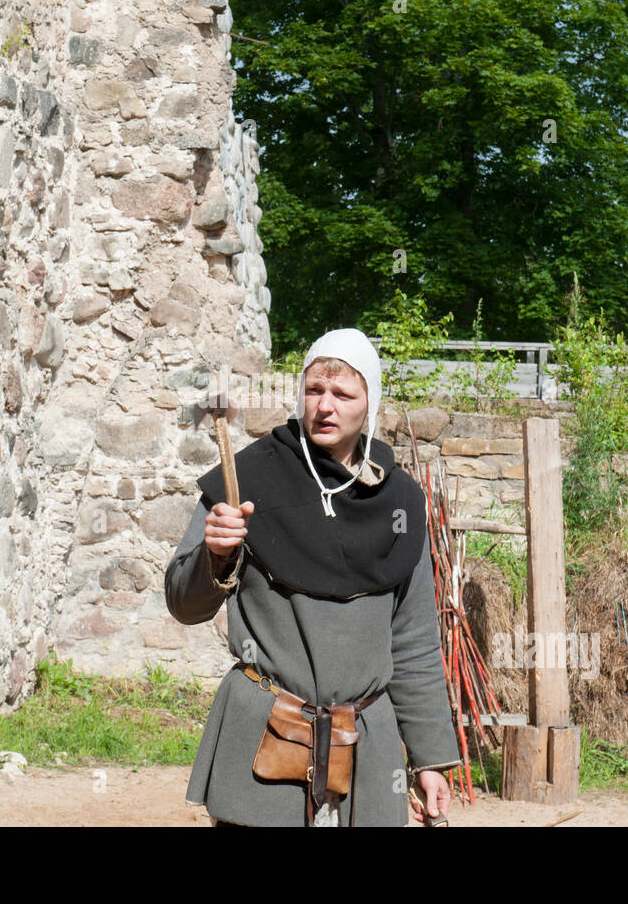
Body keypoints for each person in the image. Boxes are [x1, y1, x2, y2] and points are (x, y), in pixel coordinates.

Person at [165, 328, 461, 826]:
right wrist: (215, 556)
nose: (325, 406)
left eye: (344, 394)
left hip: (367, 750)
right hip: (267, 738)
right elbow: (183, 603)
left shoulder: (401, 505)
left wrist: (429, 758)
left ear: (370, 402)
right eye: (314, 390)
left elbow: (413, 642)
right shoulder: (245, 481)